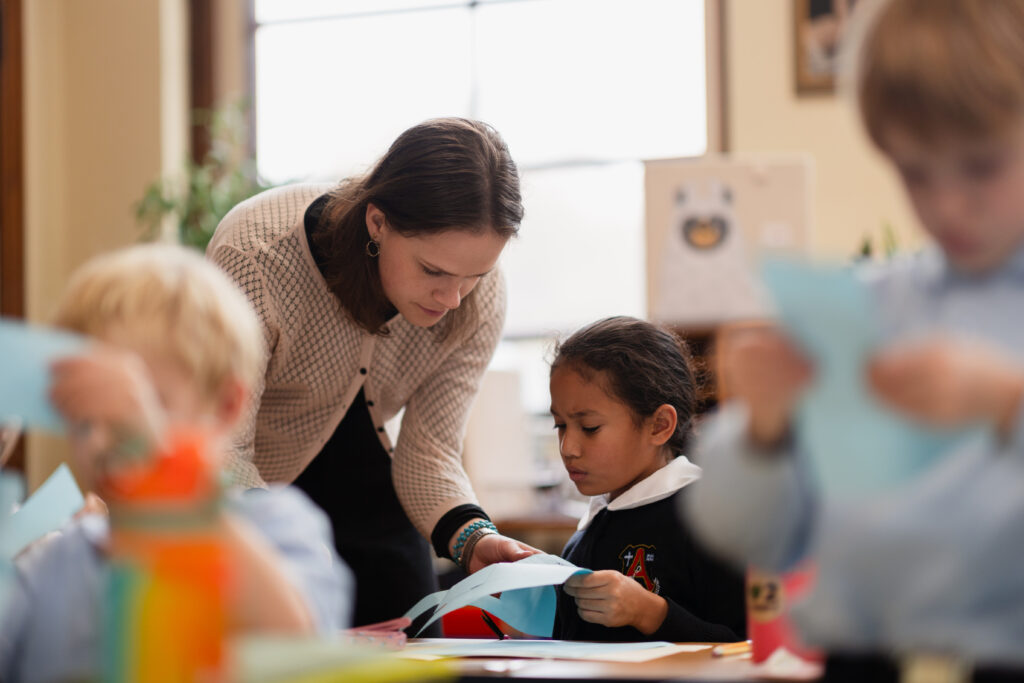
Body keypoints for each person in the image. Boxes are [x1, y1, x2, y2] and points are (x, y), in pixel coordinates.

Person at [687, 0, 1024, 677]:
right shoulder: (870, 307)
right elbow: (752, 534)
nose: (948, 205)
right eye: (915, 173)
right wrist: (765, 433)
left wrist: (1007, 401)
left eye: (982, 167)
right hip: (866, 659)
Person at [207, 117, 537, 628]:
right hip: (254, 493)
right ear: (377, 222)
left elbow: (430, 451)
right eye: (433, 271)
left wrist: (477, 540)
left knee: (415, 644)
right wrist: (280, 549)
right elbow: (224, 449)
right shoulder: (255, 256)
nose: (452, 299)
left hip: (374, 488)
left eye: (476, 275)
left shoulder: (479, 299)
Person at [0, 244, 352, 683]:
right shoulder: (55, 566)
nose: (110, 438)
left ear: (225, 406)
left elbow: (298, 649)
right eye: (89, 417)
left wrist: (164, 471)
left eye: (148, 407)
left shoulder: (274, 527)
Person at [549, 317, 746, 642]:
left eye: (589, 428)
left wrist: (651, 614)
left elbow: (746, 646)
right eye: (560, 425)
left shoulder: (713, 517)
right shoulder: (596, 519)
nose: (567, 448)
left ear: (658, 426)